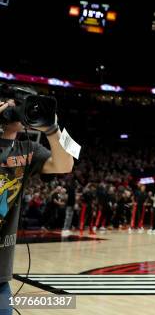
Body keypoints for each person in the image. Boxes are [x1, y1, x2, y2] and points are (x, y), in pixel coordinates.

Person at [0, 98, 74, 315]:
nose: (16, 109)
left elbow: (65, 164)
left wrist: (52, 129)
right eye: (10, 103)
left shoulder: (27, 149)